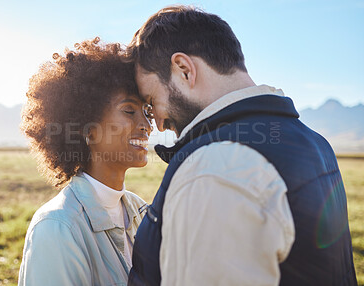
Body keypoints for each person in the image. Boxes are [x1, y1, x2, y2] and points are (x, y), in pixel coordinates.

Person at [127, 5, 357, 286]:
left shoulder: (214, 168)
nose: (159, 125)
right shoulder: (315, 143)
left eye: (151, 102)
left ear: (184, 70)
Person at [18, 37, 153, 285]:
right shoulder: (58, 227)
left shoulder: (141, 210)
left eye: (147, 112)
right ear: (88, 129)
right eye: (129, 111)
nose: (147, 126)